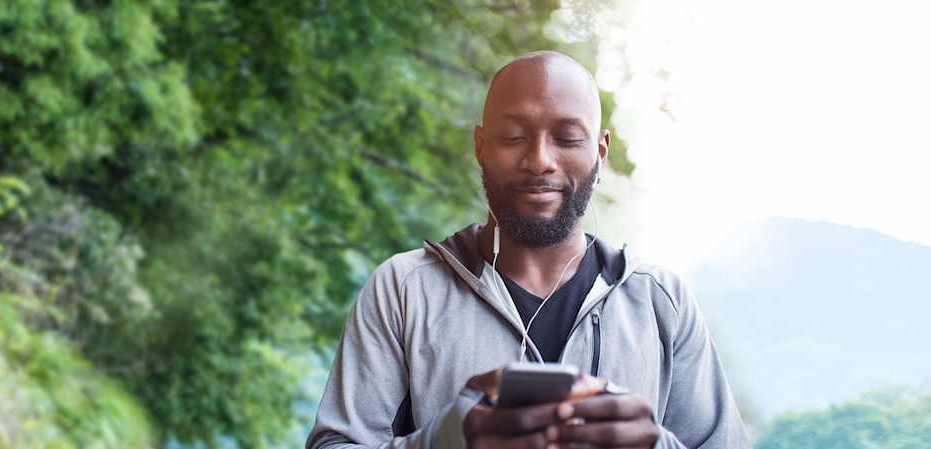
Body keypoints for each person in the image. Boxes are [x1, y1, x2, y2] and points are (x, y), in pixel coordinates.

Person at [306, 50, 749, 449]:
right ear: (480, 147)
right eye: (514, 136)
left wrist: (653, 445)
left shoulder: (661, 301)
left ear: (600, 151)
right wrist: (448, 440)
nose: (539, 160)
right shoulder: (403, 289)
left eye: (568, 138)